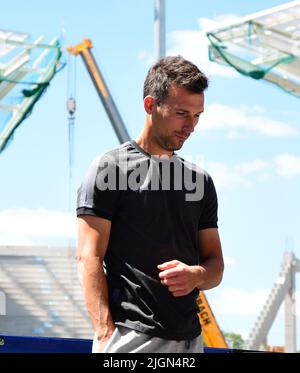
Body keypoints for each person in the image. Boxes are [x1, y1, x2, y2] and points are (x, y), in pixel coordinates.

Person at [76, 55, 224, 353]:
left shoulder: (201, 181)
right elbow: (88, 257)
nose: (191, 126)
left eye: (197, 116)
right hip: (130, 339)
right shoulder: (110, 168)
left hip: (191, 342)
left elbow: (215, 264)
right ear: (150, 105)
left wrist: (197, 275)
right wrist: (106, 332)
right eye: (182, 113)